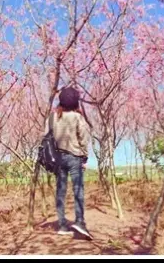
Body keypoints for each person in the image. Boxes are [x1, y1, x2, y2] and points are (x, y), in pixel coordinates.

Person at [50, 86, 93, 240]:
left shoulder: (53, 117)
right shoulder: (77, 117)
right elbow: (84, 139)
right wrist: (84, 158)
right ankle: (80, 222)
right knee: (78, 190)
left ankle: (62, 225)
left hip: (59, 158)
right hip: (75, 157)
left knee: (60, 191)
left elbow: (47, 136)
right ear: (76, 102)